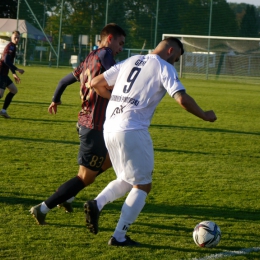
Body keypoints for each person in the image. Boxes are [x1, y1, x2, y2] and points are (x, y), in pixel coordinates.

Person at [84, 37, 217, 246]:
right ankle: (119, 237)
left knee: (128, 179)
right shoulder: (164, 67)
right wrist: (204, 115)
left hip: (109, 127)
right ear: (170, 50)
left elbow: (95, 83)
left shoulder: (131, 60)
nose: (175, 62)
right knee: (143, 185)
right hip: (132, 129)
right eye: (177, 57)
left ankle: (96, 203)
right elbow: (181, 98)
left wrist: (118, 100)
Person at [29, 23, 126, 225]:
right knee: (84, 177)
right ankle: (44, 207)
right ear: (110, 39)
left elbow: (63, 81)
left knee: (111, 161)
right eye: (120, 42)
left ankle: (68, 196)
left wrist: (55, 99)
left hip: (87, 122)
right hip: (94, 126)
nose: (121, 48)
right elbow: (118, 80)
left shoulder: (88, 59)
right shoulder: (105, 55)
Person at [0, 31, 25, 119]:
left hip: (4, 73)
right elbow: (6, 61)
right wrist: (17, 69)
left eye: (18, 38)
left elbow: (9, 62)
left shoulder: (13, 46)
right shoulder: (10, 46)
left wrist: (14, 74)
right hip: (1, 73)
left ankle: (3, 111)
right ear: (11, 37)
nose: (17, 39)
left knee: (14, 90)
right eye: (15, 37)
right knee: (0, 95)